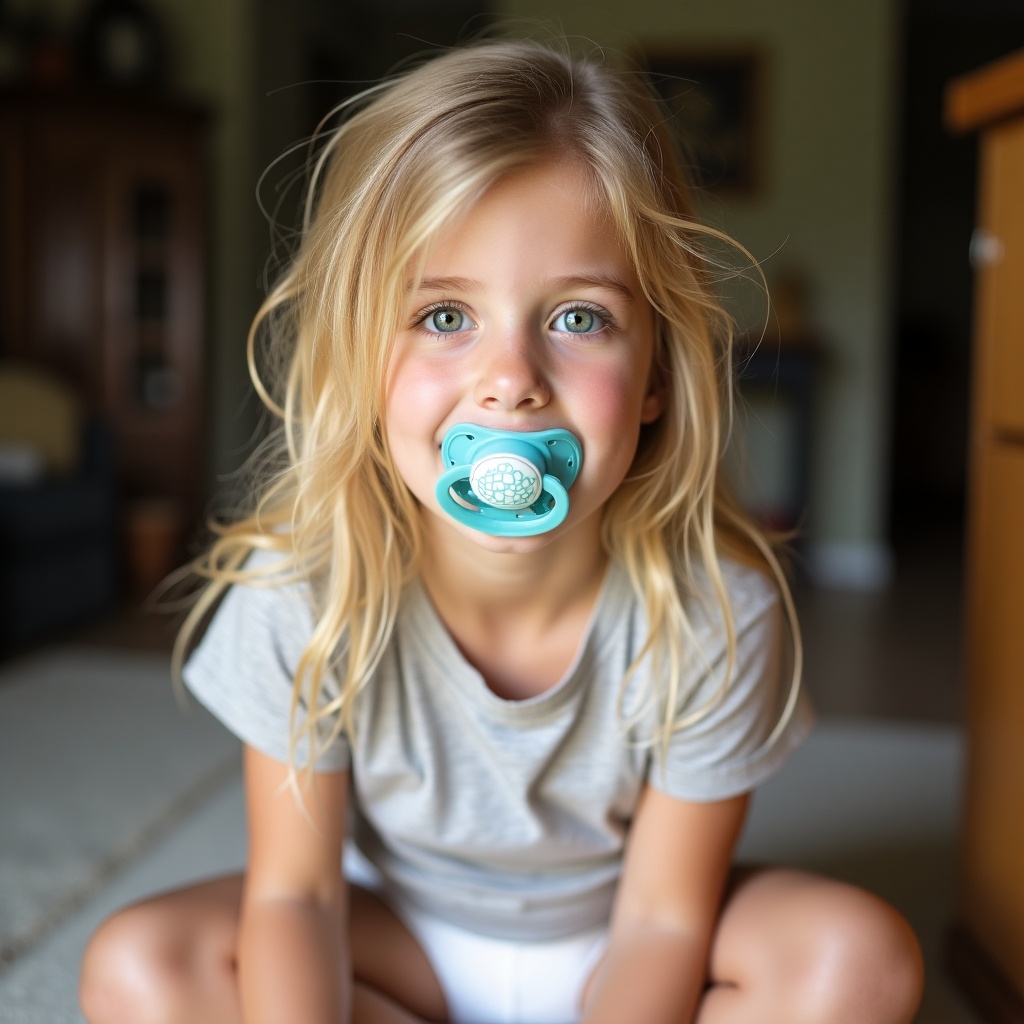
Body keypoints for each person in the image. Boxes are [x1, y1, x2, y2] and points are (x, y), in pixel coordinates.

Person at [79, 38, 924, 1024]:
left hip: (623, 941)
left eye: (576, 318)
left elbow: (663, 920)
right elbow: (296, 897)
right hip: (392, 939)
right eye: (443, 317)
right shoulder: (299, 589)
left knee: (859, 961)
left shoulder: (714, 609)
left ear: (654, 373)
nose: (509, 376)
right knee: (138, 965)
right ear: (361, 356)